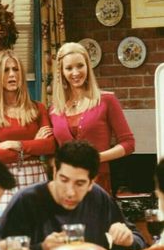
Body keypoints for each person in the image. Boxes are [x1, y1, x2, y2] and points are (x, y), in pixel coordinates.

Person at [0, 140, 147, 250]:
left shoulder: (98, 196)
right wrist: (41, 248)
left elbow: (139, 242)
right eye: (64, 180)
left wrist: (129, 240)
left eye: (80, 183)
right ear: (54, 172)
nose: (70, 192)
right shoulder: (26, 200)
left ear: (91, 182)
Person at [49, 42, 135, 194]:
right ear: (61, 72)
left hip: (97, 181)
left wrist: (96, 158)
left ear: (88, 67)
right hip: (65, 186)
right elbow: (54, 151)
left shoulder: (107, 100)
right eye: (69, 68)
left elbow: (129, 144)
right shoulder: (54, 110)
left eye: (80, 66)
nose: (75, 73)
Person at [0, 50, 55, 212]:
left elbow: (50, 145)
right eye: (6, 70)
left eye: (16, 69)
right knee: (9, 232)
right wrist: (33, 145)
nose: (12, 74)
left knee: (40, 231)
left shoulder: (38, 108)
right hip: (3, 179)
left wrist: (18, 145)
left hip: (35, 176)